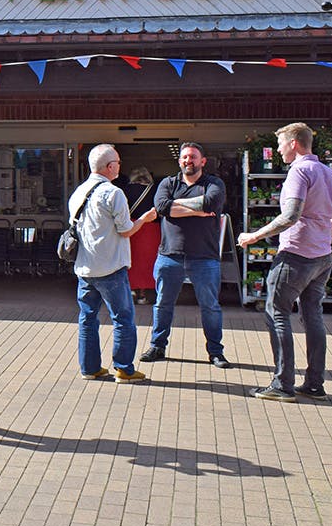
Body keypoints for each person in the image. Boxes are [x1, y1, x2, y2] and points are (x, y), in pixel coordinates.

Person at [238, 123, 332, 402]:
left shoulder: (299, 171)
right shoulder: (331, 174)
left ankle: (283, 384)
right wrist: (318, 234)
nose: (277, 149)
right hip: (322, 257)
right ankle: (314, 384)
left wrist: (254, 235)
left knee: (277, 313)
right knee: (313, 317)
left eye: (281, 144)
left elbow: (290, 215)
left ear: (295, 144)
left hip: (295, 255)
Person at [70, 144, 158, 383]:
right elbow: (126, 230)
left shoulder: (78, 192)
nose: (120, 166)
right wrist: (144, 218)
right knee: (123, 318)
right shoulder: (112, 193)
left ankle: (90, 368)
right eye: (118, 162)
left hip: (84, 267)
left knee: (87, 318)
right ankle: (124, 369)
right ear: (110, 167)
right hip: (110, 266)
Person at [141, 143, 231, 368]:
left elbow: (211, 202)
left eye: (193, 157)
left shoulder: (214, 184)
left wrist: (175, 206)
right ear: (179, 161)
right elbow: (161, 206)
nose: (187, 160)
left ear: (202, 161)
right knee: (162, 304)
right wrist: (196, 210)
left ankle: (215, 352)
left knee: (210, 306)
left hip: (205, 257)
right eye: (184, 157)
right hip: (169, 255)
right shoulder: (167, 183)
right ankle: (157, 346)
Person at [122, 167, 159, 306]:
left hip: (130, 228)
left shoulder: (125, 191)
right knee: (147, 261)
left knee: (130, 260)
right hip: (151, 230)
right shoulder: (155, 190)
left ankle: (130, 290)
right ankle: (143, 295)